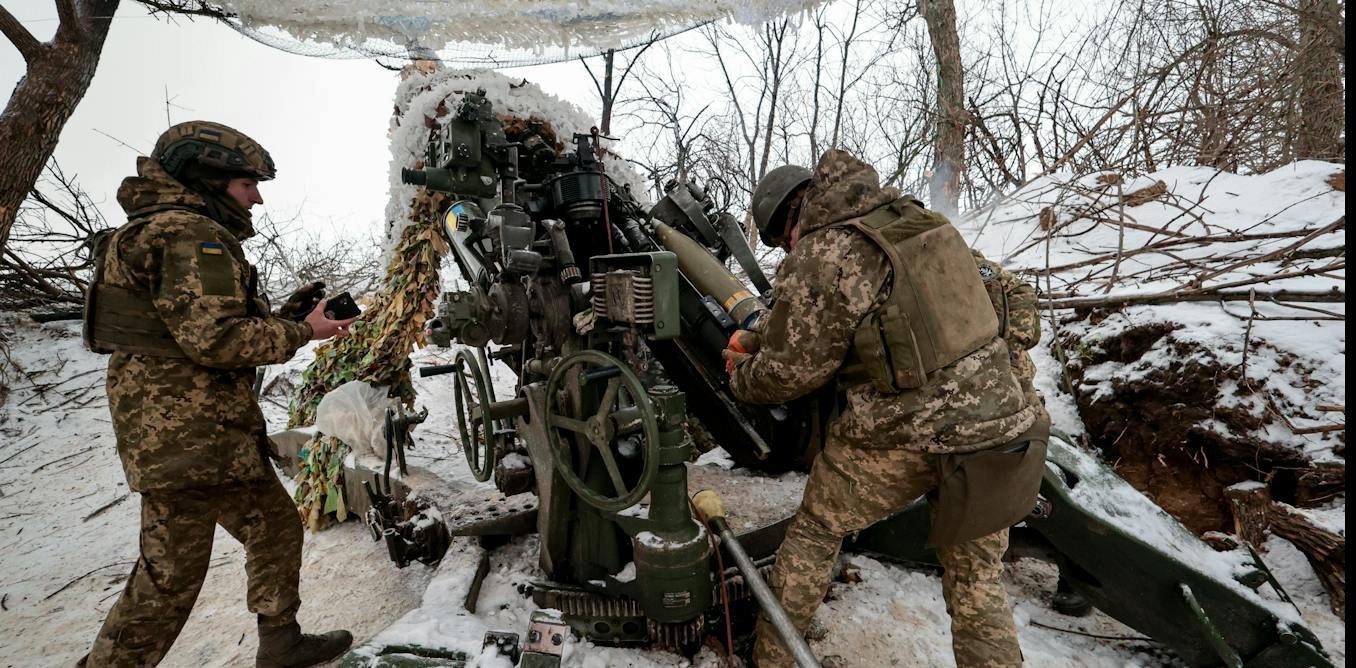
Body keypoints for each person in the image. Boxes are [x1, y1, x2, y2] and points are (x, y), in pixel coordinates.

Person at [725, 150, 1048, 668]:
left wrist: (741, 374)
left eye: (782, 241)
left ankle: (773, 658)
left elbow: (790, 373)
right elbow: (1016, 305)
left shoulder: (824, 249)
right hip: (999, 427)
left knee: (816, 531)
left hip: (902, 433)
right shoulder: (924, 223)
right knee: (977, 580)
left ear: (790, 218)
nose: (789, 249)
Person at [80, 121, 359, 668]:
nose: (256, 197)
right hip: (187, 440)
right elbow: (217, 340)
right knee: (168, 581)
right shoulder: (189, 235)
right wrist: (304, 331)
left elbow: (184, 330)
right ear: (206, 178)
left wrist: (287, 317)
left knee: (274, 528)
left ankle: (281, 642)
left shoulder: (161, 229)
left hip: (200, 434)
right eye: (246, 184)